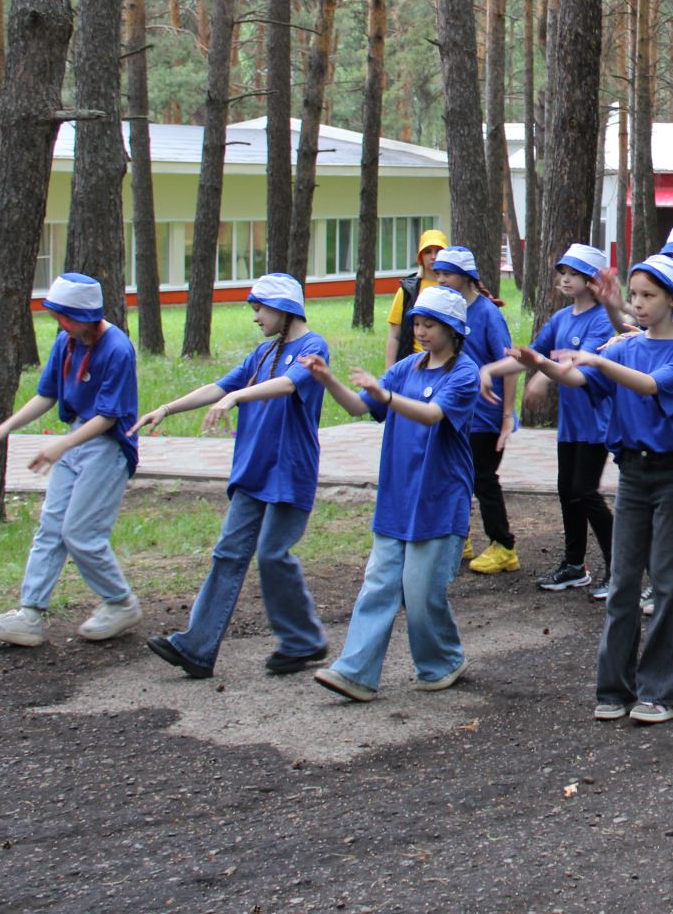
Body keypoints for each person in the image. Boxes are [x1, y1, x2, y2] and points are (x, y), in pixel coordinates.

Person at [510, 254, 673, 724]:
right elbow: (580, 376)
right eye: (634, 296)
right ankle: (614, 689)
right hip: (635, 475)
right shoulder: (623, 346)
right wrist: (542, 363)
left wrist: (599, 354)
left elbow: (648, 386)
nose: (638, 305)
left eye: (648, 296)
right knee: (622, 583)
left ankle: (665, 691)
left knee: (669, 585)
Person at [134, 274, 330, 678]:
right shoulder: (260, 354)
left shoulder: (313, 346)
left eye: (260, 308)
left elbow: (289, 385)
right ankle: (196, 649)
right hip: (253, 471)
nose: (256, 317)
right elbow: (218, 386)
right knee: (227, 554)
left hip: (289, 470)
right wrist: (167, 409)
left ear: (284, 309)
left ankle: (303, 639)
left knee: (274, 554)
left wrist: (237, 396)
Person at [307, 286, 478, 701]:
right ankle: (355, 673)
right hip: (397, 498)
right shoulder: (405, 368)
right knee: (379, 586)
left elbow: (433, 414)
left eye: (429, 324)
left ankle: (443, 661)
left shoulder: (464, 374)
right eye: (416, 323)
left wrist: (385, 394)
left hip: (439, 499)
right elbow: (358, 407)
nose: (419, 330)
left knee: (421, 595)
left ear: (453, 329)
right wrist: (328, 379)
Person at [0, 273, 144, 648]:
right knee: (51, 528)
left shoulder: (117, 348)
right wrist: (5, 427)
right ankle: (29, 616)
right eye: (57, 316)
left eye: (65, 316)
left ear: (87, 315)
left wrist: (61, 446)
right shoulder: (66, 342)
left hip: (108, 445)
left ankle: (120, 603)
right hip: (76, 440)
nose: (60, 323)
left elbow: (109, 417)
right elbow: (47, 395)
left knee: (81, 533)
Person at [482, 243, 615, 595]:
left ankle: (618, 567)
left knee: (585, 492)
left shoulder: (602, 321)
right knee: (567, 492)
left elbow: (578, 363)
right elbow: (531, 355)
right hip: (570, 426)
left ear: (593, 281)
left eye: (574, 274)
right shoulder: (560, 319)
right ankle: (574, 565)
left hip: (596, 424)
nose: (566, 280)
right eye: (564, 274)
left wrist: (541, 374)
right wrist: (491, 369)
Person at [429, 246, 520, 575]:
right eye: (437, 273)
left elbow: (510, 362)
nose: (440, 280)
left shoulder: (487, 313)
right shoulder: (449, 313)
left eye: (447, 274)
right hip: (457, 414)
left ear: (468, 278)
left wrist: (507, 416)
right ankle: (459, 537)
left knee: (483, 480)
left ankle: (504, 546)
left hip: (487, 416)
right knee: (455, 477)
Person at [384, 228, 448, 367]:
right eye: (427, 252)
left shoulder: (454, 287)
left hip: (447, 365)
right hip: (414, 365)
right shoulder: (408, 290)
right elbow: (394, 335)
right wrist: (389, 374)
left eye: (438, 251)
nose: (433, 256)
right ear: (420, 257)